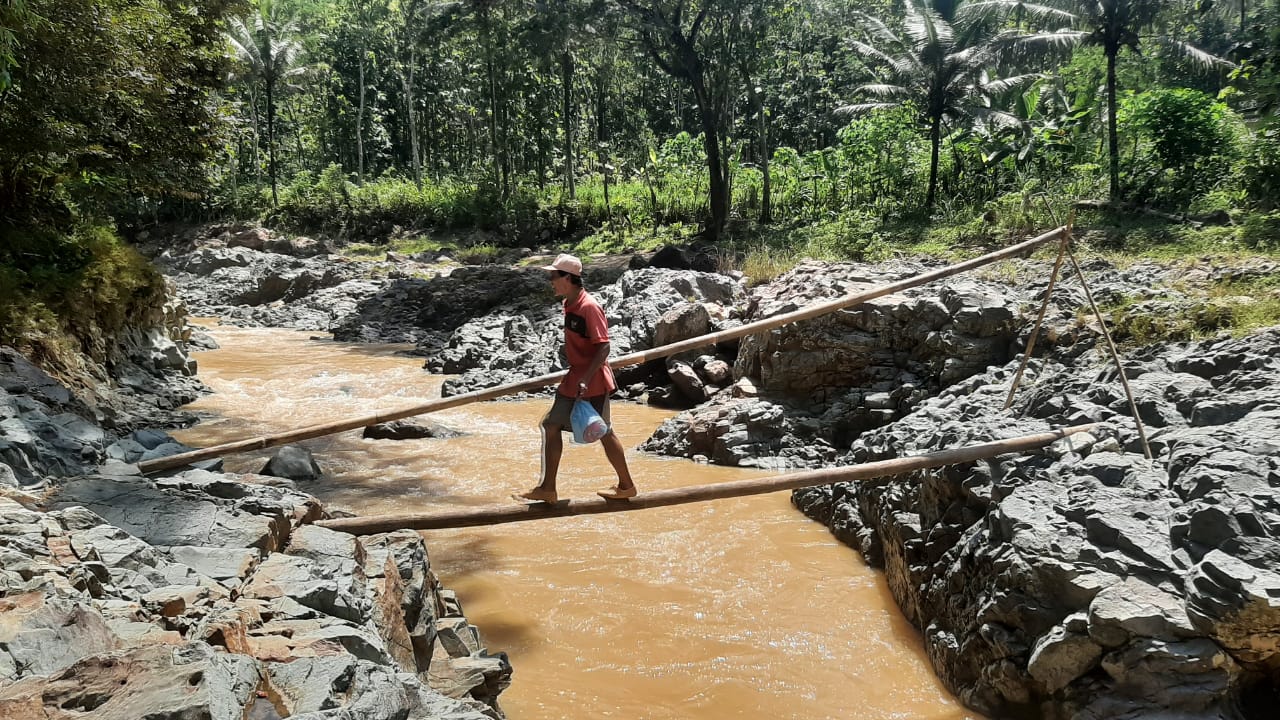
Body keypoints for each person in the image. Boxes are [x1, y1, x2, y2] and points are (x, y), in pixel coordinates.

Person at [517, 253, 637, 503]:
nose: (550, 281)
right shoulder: (569, 304)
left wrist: (586, 377)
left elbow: (603, 347)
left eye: (553, 276)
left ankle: (626, 485)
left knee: (605, 431)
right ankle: (548, 488)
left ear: (568, 279)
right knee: (551, 425)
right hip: (575, 378)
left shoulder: (588, 307)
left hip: (590, 382)